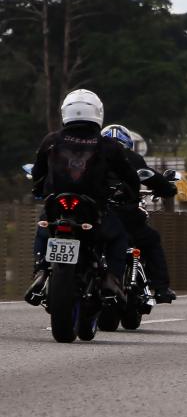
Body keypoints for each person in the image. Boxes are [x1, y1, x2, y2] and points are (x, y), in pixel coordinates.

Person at [24, 89, 140, 305]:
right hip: (92, 208)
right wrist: (131, 195)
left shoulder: (51, 140)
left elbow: (38, 173)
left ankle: (40, 271)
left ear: (65, 112)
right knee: (118, 236)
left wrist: (39, 188)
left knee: (43, 230)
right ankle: (111, 279)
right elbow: (129, 176)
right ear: (98, 112)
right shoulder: (108, 145)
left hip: (56, 204)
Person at [101, 124, 178, 303]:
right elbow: (150, 177)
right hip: (122, 214)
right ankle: (160, 288)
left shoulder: (90, 155)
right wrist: (168, 189)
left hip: (94, 212)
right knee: (151, 239)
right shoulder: (129, 157)